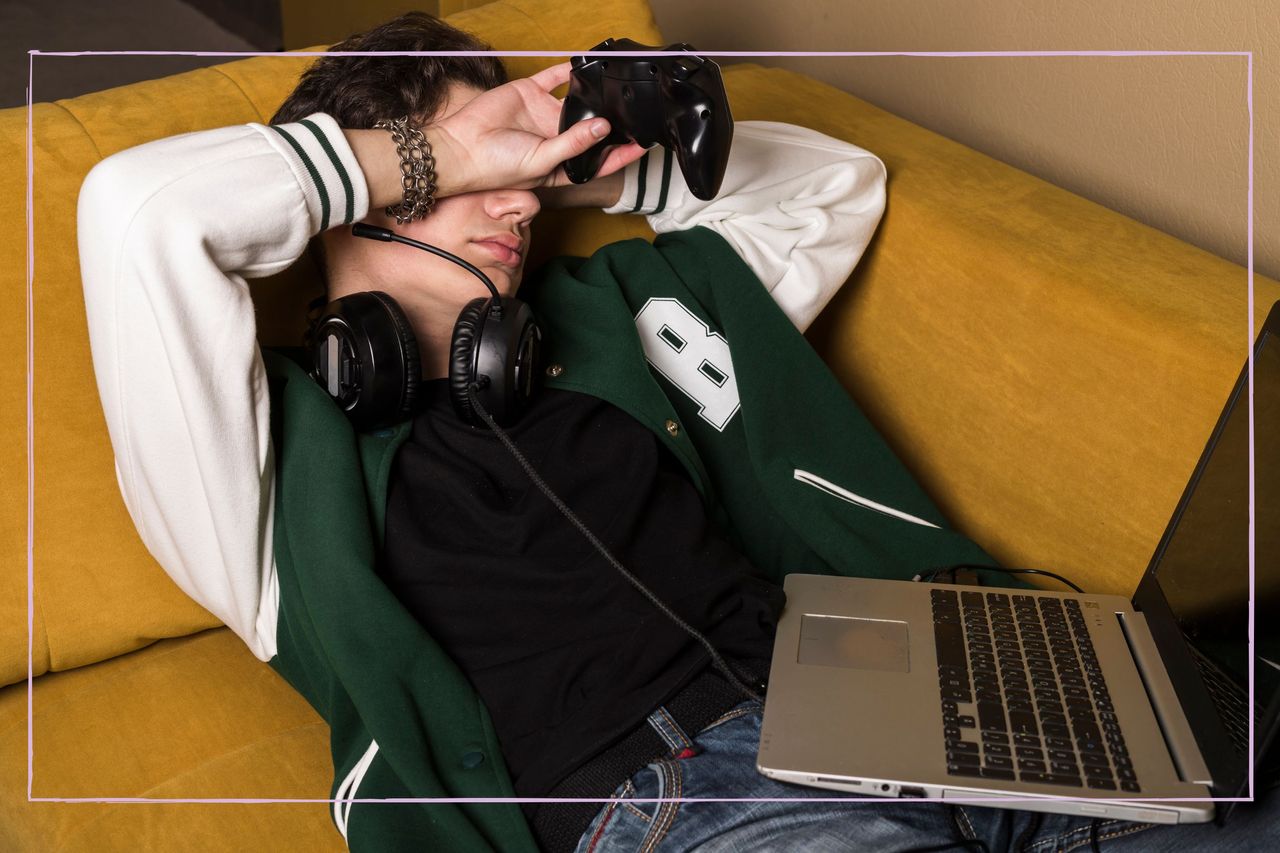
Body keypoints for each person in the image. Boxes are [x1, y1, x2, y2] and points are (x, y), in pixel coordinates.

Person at [77, 12, 1275, 853]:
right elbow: (135, 214)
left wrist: (579, 164)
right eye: (460, 174)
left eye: (524, 180)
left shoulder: (612, 322)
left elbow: (833, 186)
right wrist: (431, 153)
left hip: (914, 715)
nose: (514, 205)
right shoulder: (262, 464)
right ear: (359, 187)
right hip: (685, 811)